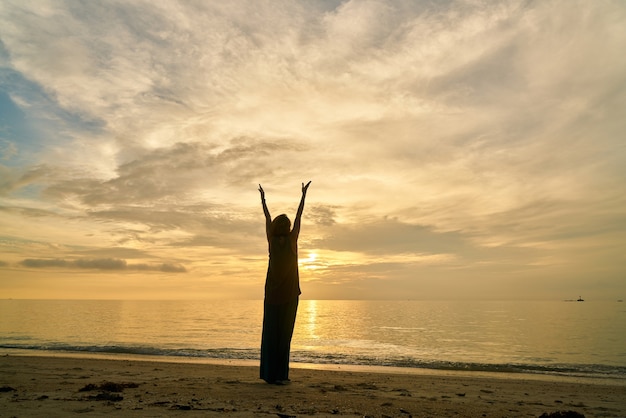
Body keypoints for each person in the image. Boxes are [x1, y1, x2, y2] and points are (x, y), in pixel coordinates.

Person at [258, 181, 311, 385]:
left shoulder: (272, 240)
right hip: (288, 296)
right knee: (283, 336)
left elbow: (267, 217)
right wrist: (303, 196)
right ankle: (280, 375)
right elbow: (299, 217)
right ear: (287, 228)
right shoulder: (291, 241)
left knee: (270, 334)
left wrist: (263, 200)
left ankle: (270, 374)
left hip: (272, 295)